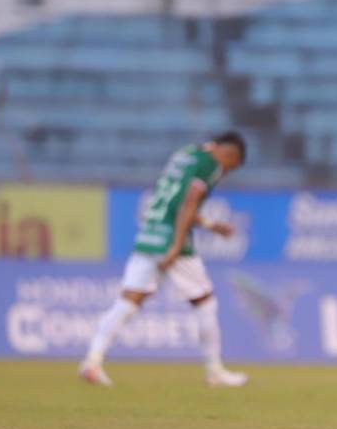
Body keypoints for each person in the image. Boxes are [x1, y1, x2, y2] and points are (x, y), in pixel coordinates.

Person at [80, 132, 250, 388]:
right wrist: (176, 247)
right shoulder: (211, 165)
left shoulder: (186, 154)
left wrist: (211, 225)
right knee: (205, 301)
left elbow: (175, 199)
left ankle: (92, 360)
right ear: (230, 154)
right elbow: (188, 204)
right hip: (172, 236)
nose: (225, 173)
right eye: (230, 168)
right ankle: (214, 370)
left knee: (129, 300)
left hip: (150, 231)